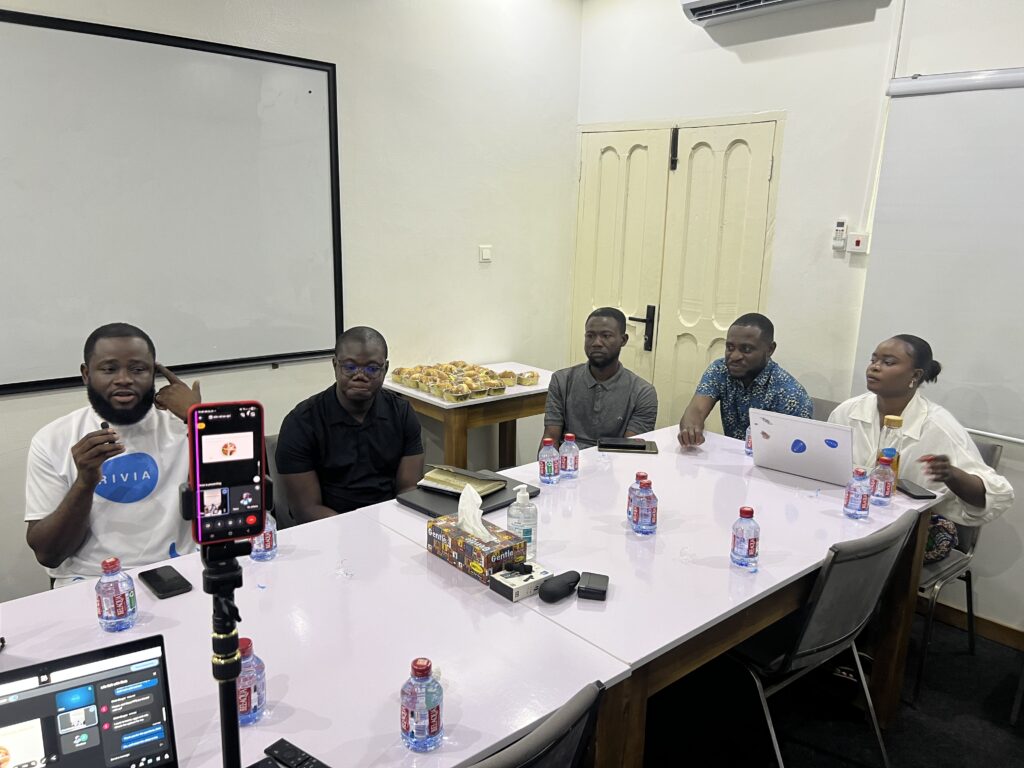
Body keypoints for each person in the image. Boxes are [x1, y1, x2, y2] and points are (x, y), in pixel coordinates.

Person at [25, 323, 201, 587]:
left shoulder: (186, 426)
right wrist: (85, 481)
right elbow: (49, 554)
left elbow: (242, 504)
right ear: (86, 374)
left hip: (181, 571)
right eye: (109, 369)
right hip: (92, 581)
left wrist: (201, 420)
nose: (124, 379)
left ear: (154, 373)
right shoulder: (53, 439)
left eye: (138, 369)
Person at [829, 335, 1013, 559]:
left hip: (908, 529)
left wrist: (952, 475)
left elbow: (998, 495)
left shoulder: (938, 426)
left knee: (847, 558)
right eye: (873, 360)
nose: (874, 367)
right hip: (851, 513)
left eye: (888, 362)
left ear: (915, 376)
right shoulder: (848, 411)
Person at [276, 326, 424, 521]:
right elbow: (306, 509)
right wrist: (357, 531)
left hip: (390, 522)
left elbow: (408, 490)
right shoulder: (301, 423)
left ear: (385, 369)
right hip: (329, 527)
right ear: (335, 365)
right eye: (349, 367)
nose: (360, 375)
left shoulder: (402, 413)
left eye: (372, 368)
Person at [677, 313, 812, 447]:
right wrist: (690, 430)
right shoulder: (720, 370)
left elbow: (797, 450)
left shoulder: (790, 394)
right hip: (729, 456)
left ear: (770, 349)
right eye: (730, 347)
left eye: (746, 349)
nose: (734, 356)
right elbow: (697, 410)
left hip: (769, 459)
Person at [543, 307, 658, 449]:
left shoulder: (643, 392)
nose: (596, 342)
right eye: (590, 335)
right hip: (568, 459)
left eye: (606, 336)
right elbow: (550, 439)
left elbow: (631, 450)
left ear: (623, 340)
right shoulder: (562, 381)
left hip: (615, 461)